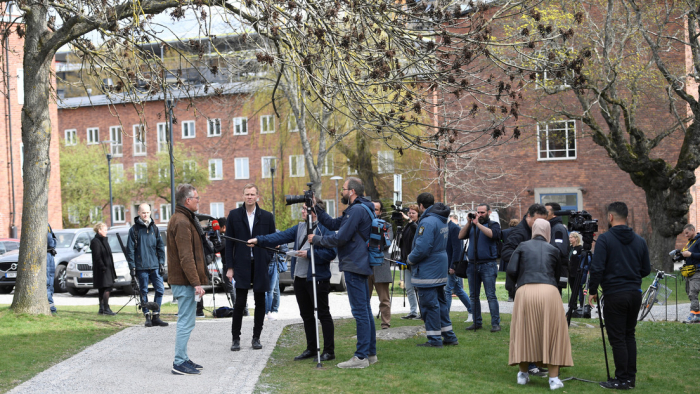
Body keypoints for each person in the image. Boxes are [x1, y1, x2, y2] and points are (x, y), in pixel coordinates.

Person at [249, 198, 337, 362]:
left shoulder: (326, 228)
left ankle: (328, 351)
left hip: (317, 279)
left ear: (314, 211)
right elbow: (279, 237)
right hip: (299, 278)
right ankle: (311, 348)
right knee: (306, 315)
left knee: (323, 314)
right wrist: (258, 240)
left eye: (305, 209)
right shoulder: (300, 227)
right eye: (303, 208)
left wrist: (309, 254)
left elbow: (331, 254)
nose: (302, 211)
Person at [310, 177, 376, 369]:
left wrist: (317, 240)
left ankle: (361, 357)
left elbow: (341, 237)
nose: (342, 192)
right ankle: (370, 354)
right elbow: (332, 224)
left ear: (352, 192)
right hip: (360, 263)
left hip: (355, 264)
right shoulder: (363, 208)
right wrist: (317, 207)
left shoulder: (356, 210)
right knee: (365, 310)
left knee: (360, 311)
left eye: (344, 188)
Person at [588, 202, 651, 390]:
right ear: (627, 217)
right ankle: (629, 378)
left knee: (617, 338)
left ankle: (621, 378)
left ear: (610, 217)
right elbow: (646, 269)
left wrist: (592, 290)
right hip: (634, 293)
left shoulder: (605, 239)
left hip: (615, 293)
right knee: (628, 335)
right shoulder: (640, 241)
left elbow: (597, 268)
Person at [507, 219, 573, 391]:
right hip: (549, 291)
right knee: (553, 334)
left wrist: (516, 286)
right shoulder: (554, 249)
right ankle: (553, 379)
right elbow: (560, 276)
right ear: (547, 231)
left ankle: (522, 375)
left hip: (524, 290)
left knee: (523, 332)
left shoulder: (521, 246)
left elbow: (511, 270)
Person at [226, 184, 276, 352]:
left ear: (257, 196)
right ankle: (235, 338)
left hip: (260, 264)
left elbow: (272, 242)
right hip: (241, 265)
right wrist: (230, 267)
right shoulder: (234, 216)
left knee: (260, 302)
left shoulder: (267, 217)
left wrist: (267, 259)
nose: (249, 197)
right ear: (243, 196)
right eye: (247, 194)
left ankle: (256, 337)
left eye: (252, 194)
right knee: (239, 303)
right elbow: (229, 244)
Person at [501, 203, 548, 376]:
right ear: (528, 216)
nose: (539, 225)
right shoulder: (519, 233)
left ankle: (535, 361)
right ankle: (527, 365)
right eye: (536, 221)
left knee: (536, 327)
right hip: (522, 283)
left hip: (535, 283)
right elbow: (506, 252)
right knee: (527, 327)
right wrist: (526, 261)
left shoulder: (534, 232)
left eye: (543, 222)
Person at [167, 183, 208, 375]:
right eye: (197, 198)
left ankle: (183, 358)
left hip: (185, 281)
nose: (199, 201)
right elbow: (186, 256)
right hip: (184, 282)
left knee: (188, 321)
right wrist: (196, 282)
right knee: (185, 322)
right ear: (188, 200)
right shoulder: (182, 222)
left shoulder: (184, 218)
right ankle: (178, 362)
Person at [408, 193, 458, 347]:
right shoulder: (440, 219)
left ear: (421, 205)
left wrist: (410, 259)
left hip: (428, 269)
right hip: (438, 267)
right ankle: (449, 336)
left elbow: (422, 248)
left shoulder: (428, 222)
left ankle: (434, 339)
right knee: (441, 304)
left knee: (429, 305)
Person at [458, 203, 502, 333]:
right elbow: (460, 236)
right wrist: (468, 223)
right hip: (472, 264)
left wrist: (478, 224)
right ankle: (476, 322)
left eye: (482, 212)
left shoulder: (494, 224)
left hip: (488, 264)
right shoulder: (472, 225)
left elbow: (493, 235)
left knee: (490, 295)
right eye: (478, 212)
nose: (480, 215)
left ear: (489, 212)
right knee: (473, 296)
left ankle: (495, 323)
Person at [125, 203, 168, 327]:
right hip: (141, 266)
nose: (146, 215)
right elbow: (130, 250)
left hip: (155, 265)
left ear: (150, 212)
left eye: (148, 212)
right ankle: (147, 316)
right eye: (143, 212)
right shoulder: (134, 230)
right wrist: (132, 267)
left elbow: (160, 247)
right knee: (143, 291)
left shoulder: (155, 228)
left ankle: (156, 315)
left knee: (160, 289)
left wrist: (161, 263)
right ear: (139, 213)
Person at [368, 199, 393, 329]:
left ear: (381, 212)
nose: (374, 212)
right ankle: (365, 324)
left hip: (380, 266)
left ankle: (385, 324)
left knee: (384, 299)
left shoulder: (387, 226)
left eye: (376, 209)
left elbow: (383, 245)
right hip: (365, 266)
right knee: (364, 299)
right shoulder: (363, 225)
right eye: (372, 209)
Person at [445, 214, 472, 322]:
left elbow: (458, 249)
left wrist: (453, 266)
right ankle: (472, 310)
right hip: (447, 263)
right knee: (457, 289)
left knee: (447, 290)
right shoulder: (445, 227)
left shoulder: (454, 228)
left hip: (453, 264)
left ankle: (444, 317)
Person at [90, 222, 117, 316]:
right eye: (105, 230)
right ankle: (105, 308)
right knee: (107, 287)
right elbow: (97, 256)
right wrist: (103, 267)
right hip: (102, 269)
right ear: (99, 230)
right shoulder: (96, 241)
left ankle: (102, 308)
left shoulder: (104, 240)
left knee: (103, 288)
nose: (106, 232)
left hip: (107, 268)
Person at [400, 205, 421, 320]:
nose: (411, 215)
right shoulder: (407, 225)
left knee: (418, 288)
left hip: (415, 261)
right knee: (409, 287)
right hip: (406, 261)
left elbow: (416, 231)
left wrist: (409, 220)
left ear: (418, 214)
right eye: (409, 213)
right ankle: (413, 311)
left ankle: (423, 311)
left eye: (413, 213)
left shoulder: (418, 224)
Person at [544, 203, 570, 293]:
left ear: (555, 214)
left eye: (546, 211)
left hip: (556, 273)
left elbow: (559, 250)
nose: (544, 214)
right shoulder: (552, 227)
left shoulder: (558, 228)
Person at [264, 232, 288, 321]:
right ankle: (270, 311)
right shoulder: (263, 232)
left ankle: (270, 311)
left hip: (274, 262)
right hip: (268, 262)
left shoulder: (277, 233)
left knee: (272, 289)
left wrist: (278, 245)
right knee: (272, 289)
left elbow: (284, 249)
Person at [680, 223, 700, 323]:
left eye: (687, 233)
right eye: (685, 234)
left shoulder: (699, 241)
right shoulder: (690, 243)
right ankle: (697, 315)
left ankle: (694, 315)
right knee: (689, 293)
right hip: (689, 272)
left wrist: (691, 254)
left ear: (692, 230)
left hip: (697, 272)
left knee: (693, 293)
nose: (686, 235)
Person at [567, 231, 587, 312]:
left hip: (577, 272)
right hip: (570, 271)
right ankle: (573, 305)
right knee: (572, 288)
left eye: (571, 237)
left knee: (578, 288)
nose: (570, 239)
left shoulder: (580, 248)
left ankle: (581, 304)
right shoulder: (570, 248)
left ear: (576, 238)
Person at [47, 224, 58, 315]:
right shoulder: (45, 224)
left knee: (49, 281)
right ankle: (51, 308)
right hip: (47, 255)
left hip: (49, 254)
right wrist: (54, 243)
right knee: (49, 282)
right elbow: (51, 242)